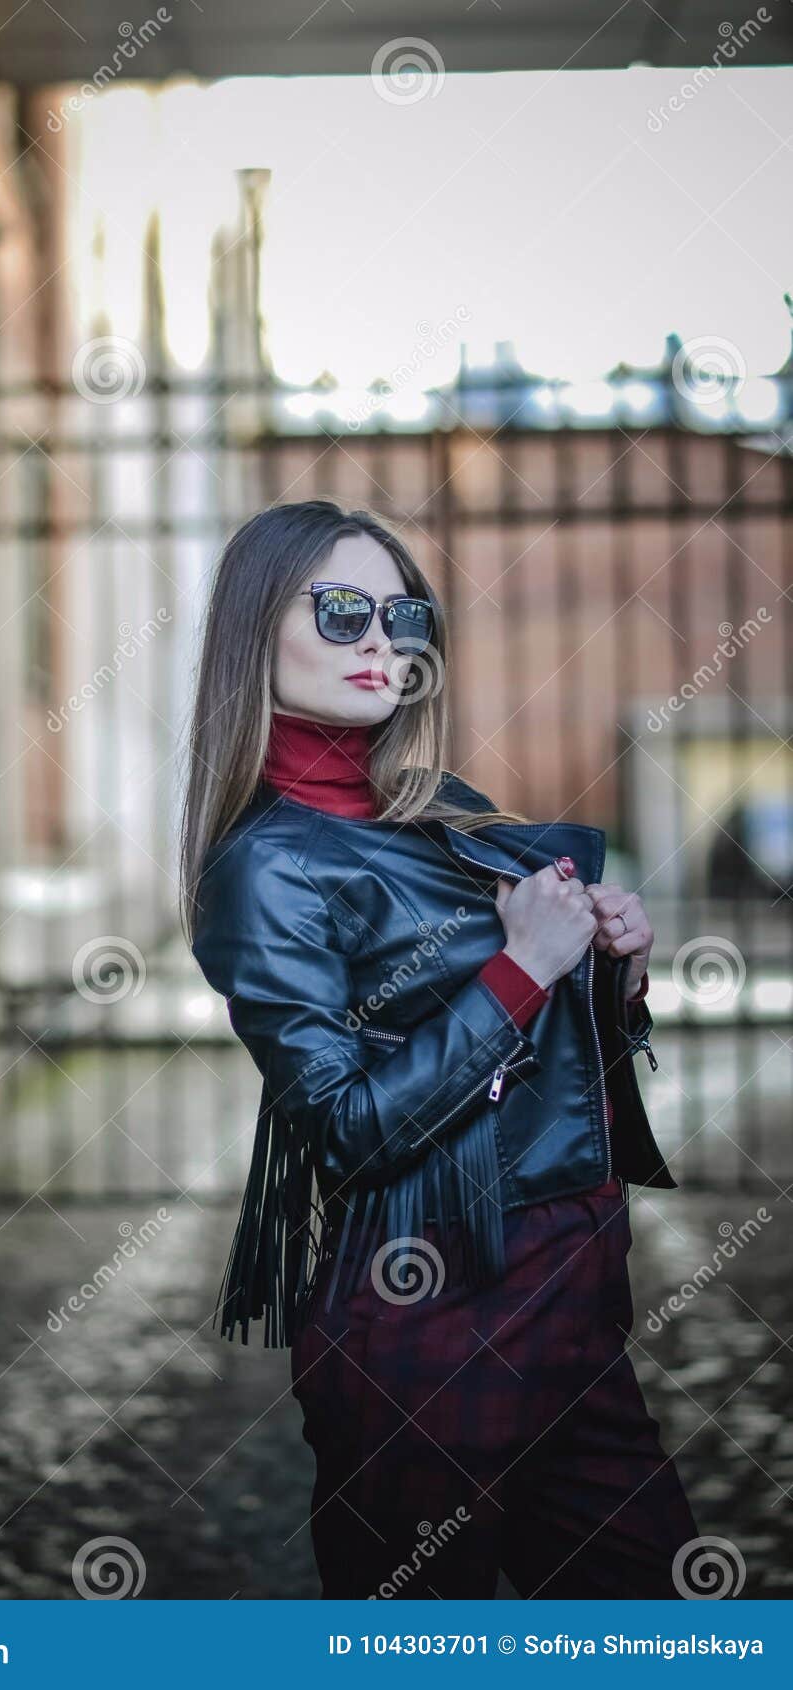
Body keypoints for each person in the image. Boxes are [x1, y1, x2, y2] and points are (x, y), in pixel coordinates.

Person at [179, 497, 699, 1599]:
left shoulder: (437, 808)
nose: (382, 640)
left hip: (569, 1285)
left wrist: (614, 963)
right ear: (254, 625)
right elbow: (349, 1129)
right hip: (425, 1307)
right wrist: (523, 969)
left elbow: (541, 1043)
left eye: (400, 612)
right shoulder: (262, 870)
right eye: (343, 609)